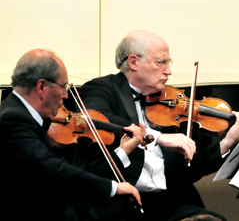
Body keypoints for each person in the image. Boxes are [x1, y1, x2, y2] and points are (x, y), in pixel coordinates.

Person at [78, 30, 239, 221]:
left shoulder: (168, 106)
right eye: (161, 62)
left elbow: (187, 170)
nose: (168, 71)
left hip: (168, 203)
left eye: (168, 63)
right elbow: (97, 118)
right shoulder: (102, 88)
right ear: (133, 62)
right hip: (123, 204)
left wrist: (228, 141)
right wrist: (158, 137)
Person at [0, 49, 142, 220]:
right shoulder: (13, 119)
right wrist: (113, 188)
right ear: (42, 87)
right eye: (63, 86)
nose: (66, 95)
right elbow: (53, 170)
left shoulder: (29, 117)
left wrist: (122, 151)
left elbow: (75, 171)